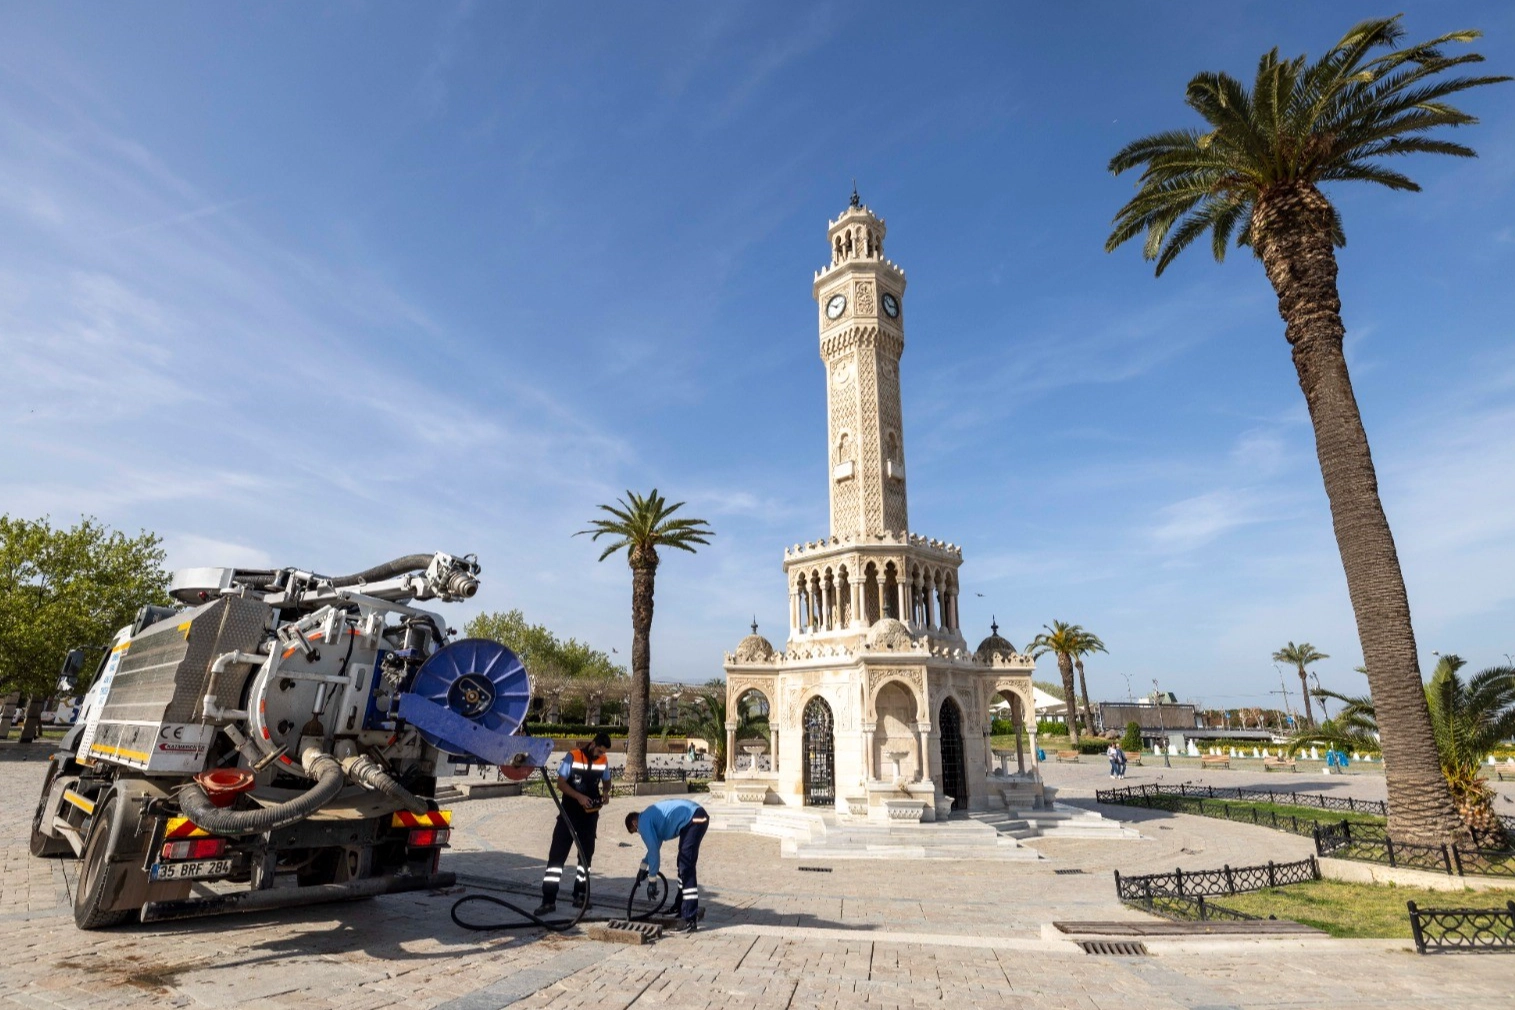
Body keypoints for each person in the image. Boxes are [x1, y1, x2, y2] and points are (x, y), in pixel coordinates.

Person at [534, 733, 612, 917]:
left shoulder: (603, 759)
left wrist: (606, 792)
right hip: (569, 813)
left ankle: (580, 895)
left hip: (590, 815)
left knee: (586, 857)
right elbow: (561, 783)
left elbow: (607, 780)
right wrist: (579, 797)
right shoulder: (573, 756)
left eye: (603, 752)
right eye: (599, 750)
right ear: (592, 744)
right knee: (557, 856)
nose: (600, 754)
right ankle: (548, 900)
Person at [626, 797, 709, 933]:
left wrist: (652, 880)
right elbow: (654, 848)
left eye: (635, 831)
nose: (638, 832)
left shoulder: (643, 822)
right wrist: (643, 867)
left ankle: (690, 918)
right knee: (682, 864)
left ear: (634, 822)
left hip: (694, 819)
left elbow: (653, 851)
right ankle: (680, 906)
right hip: (694, 818)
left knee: (686, 867)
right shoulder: (649, 817)